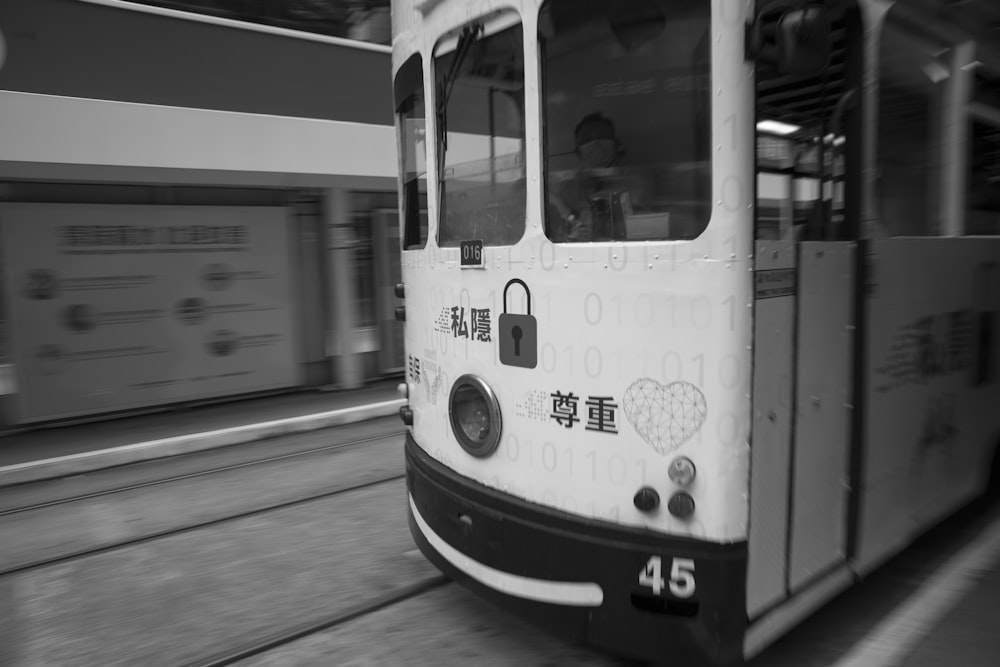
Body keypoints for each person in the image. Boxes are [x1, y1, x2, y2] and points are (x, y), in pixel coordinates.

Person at [548, 112, 653, 242]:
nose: (595, 143)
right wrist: (573, 232)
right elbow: (563, 221)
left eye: (601, 136)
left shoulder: (637, 181)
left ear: (617, 144)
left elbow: (645, 223)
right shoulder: (569, 187)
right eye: (586, 140)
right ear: (578, 151)